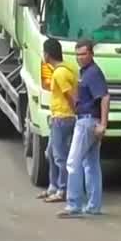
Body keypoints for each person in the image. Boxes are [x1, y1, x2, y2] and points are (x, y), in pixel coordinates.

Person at [60, 38, 110, 218]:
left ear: (91, 54)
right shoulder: (86, 72)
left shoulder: (93, 73)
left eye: (83, 54)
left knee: (73, 163)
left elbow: (104, 97)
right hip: (90, 121)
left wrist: (103, 124)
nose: (80, 57)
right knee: (91, 164)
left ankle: (74, 205)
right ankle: (93, 206)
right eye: (77, 54)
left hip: (87, 121)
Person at [38, 38, 77, 204]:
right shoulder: (67, 68)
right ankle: (53, 186)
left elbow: (70, 95)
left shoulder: (60, 73)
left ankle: (62, 190)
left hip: (62, 118)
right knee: (50, 153)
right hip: (59, 118)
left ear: (47, 54)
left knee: (60, 156)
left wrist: (76, 111)